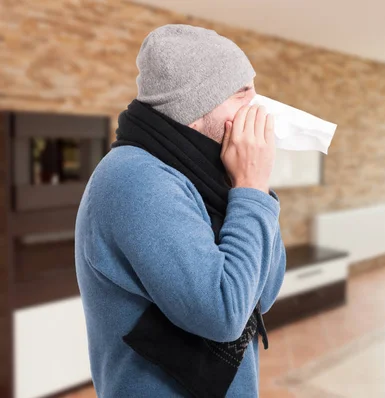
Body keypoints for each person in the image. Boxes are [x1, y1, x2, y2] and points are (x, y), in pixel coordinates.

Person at [74, 24, 286, 398]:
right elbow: (223, 315)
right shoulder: (134, 179)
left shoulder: (210, 174)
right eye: (242, 96)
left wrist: (253, 186)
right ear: (193, 108)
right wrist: (251, 189)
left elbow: (261, 295)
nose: (259, 112)